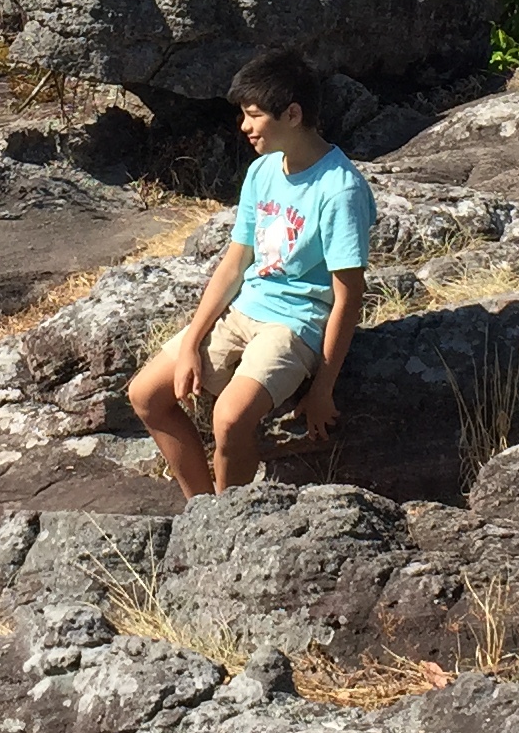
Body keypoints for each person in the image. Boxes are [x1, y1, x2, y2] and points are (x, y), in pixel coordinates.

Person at [127, 46, 375, 498]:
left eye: (254, 115)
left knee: (229, 417)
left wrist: (322, 388)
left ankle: (228, 520)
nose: (244, 127)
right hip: (244, 309)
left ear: (293, 114)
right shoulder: (262, 171)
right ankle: (201, 510)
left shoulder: (340, 190)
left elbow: (348, 296)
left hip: (294, 324)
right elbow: (235, 262)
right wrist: (192, 342)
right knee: (146, 395)